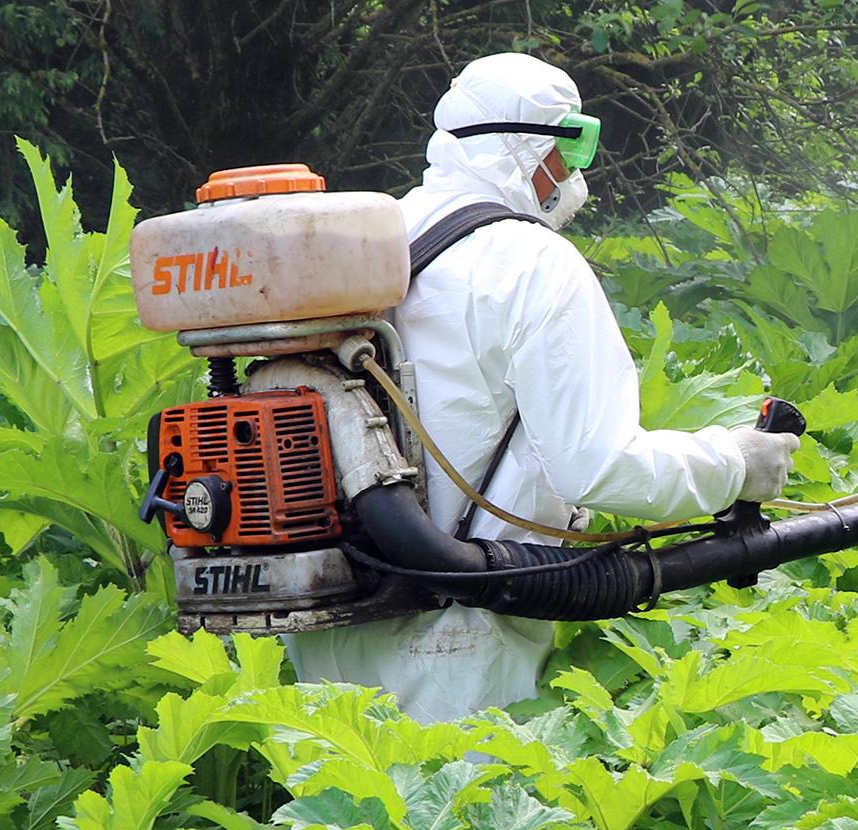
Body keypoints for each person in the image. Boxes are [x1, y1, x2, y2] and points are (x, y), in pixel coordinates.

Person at [286, 53, 798, 725]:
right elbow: (600, 465)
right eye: (571, 144)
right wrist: (737, 463)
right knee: (462, 820)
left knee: (335, 821)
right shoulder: (530, 261)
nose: (575, 172)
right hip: (458, 635)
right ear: (529, 148)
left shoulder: (366, 239)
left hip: (328, 624)